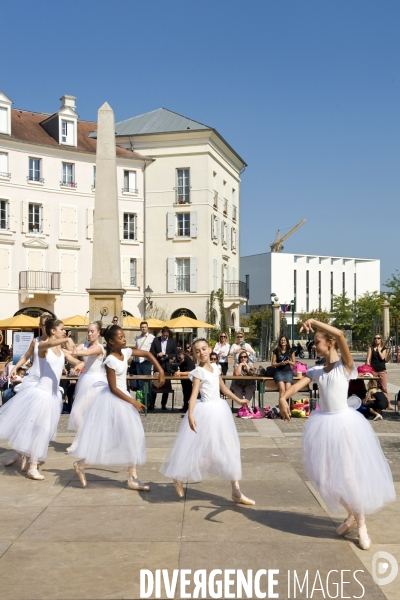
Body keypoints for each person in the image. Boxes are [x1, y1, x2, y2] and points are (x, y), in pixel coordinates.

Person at [278, 319, 396, 551]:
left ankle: (361, 525)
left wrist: (313, 321)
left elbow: (341, 334)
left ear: (329, 343)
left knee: (348, 476)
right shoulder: (315, 371)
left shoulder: (345, 366)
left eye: (317, 342)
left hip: (345, 424)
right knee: (323, 478)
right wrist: (283, 398)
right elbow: (293, 387)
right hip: (323, 424)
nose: (314, 345)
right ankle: (351, 514)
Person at [160, 338, 255, 505]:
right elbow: (193, 395)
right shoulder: (198, 372)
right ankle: (179, 475)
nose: (201, 352)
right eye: (197, 351)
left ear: (210, 349)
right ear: (194, 354)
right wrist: (190, 415)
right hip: (207, 413)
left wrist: (238, 400)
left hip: (220, 410)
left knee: (231, 448)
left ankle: (236, 490)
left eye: (204, 349)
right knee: (212, 454)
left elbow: (223, 388)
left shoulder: (216, 368)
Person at [70, 324, 165, 490]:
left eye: (124, 336)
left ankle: (132, 477)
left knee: (133, 436)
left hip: (124, 400)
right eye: (120, 337)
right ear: (111, 341)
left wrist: (160, 370)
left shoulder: (126, 352)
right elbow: (113, 388)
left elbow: (147, 353)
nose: (124, 339)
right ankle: (81, 464)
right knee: (106, 438)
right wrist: (133, 402)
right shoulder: (110, 361)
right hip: (114, 400)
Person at [0, 318, 82, 480]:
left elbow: (75, 359)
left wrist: (79, 364)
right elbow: (43, 346)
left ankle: (25, 456)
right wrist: (66, 339)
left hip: (52, 396)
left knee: (43, 429)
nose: (64, 331)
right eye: (62, 329)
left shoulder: (60, 349)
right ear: (53, 331)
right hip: (41, 394)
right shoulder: (42, 347)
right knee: (37, 428)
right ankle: (31, 464)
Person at [67, 321, 105, 444]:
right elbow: (72, 351)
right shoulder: (84, 344)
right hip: (85, 379)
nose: (89, 334)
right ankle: (82, 439)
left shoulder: (99, 347)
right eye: (88, 331)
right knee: (81, 413)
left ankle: (83, 439)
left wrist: (70, 349)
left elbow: (86, 353)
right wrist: (63, 344)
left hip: (96, 382)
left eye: (92, 331)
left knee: (79, 412)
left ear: (98, 333)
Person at [9, 313, 52, 391]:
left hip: (48, 377)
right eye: (44, 325)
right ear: (40, 325)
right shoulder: (35, 341)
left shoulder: (56, 342)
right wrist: (15, 368)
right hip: (34, 376)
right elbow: (25, 357)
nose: (46, 327)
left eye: (48, 325)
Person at [150, 326, 177, 410]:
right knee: (156, 385)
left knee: (166, 385)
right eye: (164, 335)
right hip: (158, 364)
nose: (165, 337)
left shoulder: (172, 342)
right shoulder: (156, 340)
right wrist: (158, 354)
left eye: (167, 335)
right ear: (162, 333)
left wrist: (168, 356)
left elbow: (175, 354)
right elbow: (151, 352)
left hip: (167, 365)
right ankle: (152, 404)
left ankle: (163, 404)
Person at [366, 335, 391, 406]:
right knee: (373, 387)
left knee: (384, 387)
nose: (376, 339)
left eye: (378, 338)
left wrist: (379, 350)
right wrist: (368, 368)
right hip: (373, 370)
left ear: (381, 339)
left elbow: (382, 357)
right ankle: (374, 403)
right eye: (375, 338)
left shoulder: (384, 348)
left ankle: (388, 403)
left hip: (382, 370)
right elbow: (368, 358)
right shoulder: (371, 348)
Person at [271, 335, 296, 399]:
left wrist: (288, 362)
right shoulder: (275, 351)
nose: (283, 341)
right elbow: (273, 364)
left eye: (284, 340)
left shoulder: (291, 350)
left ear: (287, 342)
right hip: (279, 372)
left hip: (288, 372)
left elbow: (294, 363)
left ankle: (287, 406)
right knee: (282, 390)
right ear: (279, 341)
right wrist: (280, 363)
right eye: (281, 340)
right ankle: (281, 407)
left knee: (288, 390)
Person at [134, 321, 155, 393]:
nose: (143, 328)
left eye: (145, 327)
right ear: (140, 328)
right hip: (138, 362)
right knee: (140, 383)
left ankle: (148, 401)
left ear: (147, 328)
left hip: (146, 362)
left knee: (148, 382)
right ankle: (142, 400)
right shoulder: (138, 338)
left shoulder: (152, 337)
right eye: (142, 327)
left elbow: (153, 349)